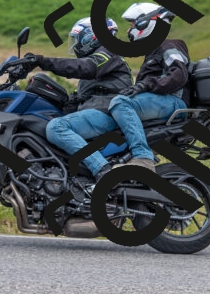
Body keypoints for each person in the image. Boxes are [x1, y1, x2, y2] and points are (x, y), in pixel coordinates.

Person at [24, 17, 132, 184]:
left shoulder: (108, 53)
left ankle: (102, 169)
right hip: (98, 112)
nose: (76, 44)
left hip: (108, 112)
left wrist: (43, 62)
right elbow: (82, 96)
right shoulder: (98, 61)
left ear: (91, 37)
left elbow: (83, 67)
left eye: (78, 39)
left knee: (57, 127)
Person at [107, 2, 191, 172]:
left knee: (122, 103)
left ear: (145, 23)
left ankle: (143, 158)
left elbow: (179, 74)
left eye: (132, 25)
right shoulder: (153, 51)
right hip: (161, 101)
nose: (128, 30)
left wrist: (145, 85)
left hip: (173, 101)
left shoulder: (168, 45)